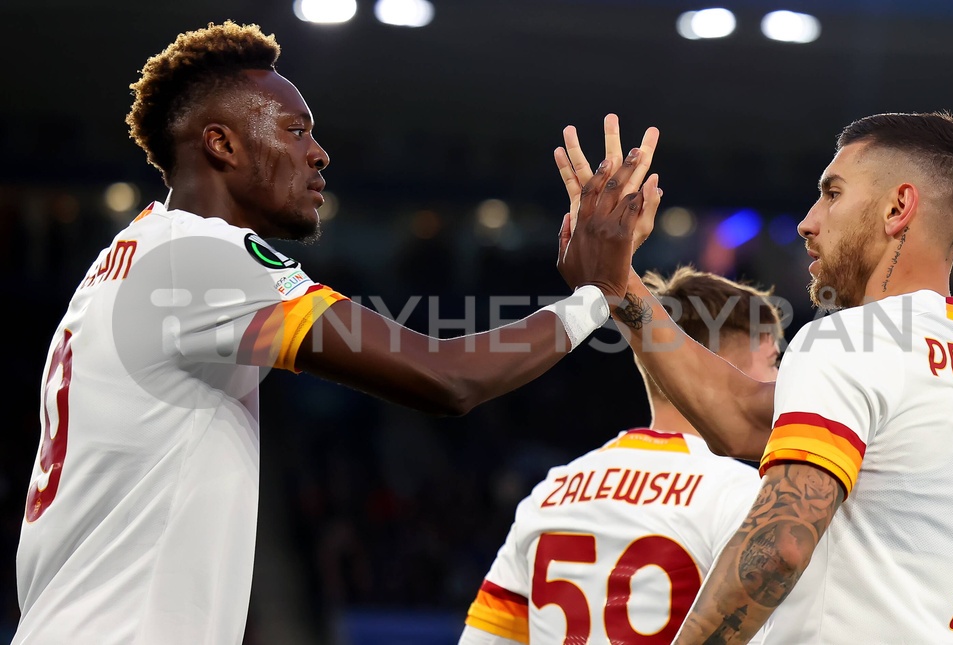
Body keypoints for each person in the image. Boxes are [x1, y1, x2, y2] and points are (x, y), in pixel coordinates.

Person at [13, 21, 663, 645]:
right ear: (222, 143)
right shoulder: (202, 260)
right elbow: (448, 376)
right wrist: (597, 297)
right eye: (295, 130)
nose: (318, 152)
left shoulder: (123, 260)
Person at [558, 112, 953, 643]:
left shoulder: (849, 342)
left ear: (898, 208)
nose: (808, 221)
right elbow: (744, 418)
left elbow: (780, 546)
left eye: (832, 193)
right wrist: (619, 284)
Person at [458, 265, 782, 645]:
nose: (783, 376)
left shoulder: (551, 494)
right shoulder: (748, 495)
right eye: (774, 360)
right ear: (721, 367)